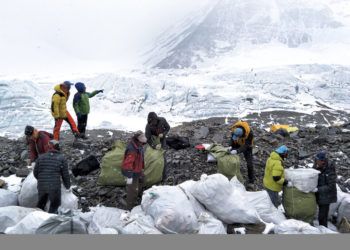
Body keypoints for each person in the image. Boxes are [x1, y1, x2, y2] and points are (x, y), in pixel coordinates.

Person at [33, 140, 71, 214]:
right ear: (58, 148)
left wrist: (42, 180)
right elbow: (65, 175)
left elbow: (35, 173)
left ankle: (38, 221)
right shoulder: (62, 158)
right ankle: (51, 223)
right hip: (54, 187)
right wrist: (68, 186)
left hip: (42, 186)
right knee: (54, 207)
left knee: (41, 205)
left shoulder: (40, 157)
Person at [121, 132, 147, 210]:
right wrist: (129, 176)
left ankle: (138, 196)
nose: (143, 143)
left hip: (138, 170)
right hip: (131, 172)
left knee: (142, 180)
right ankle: (129, 207)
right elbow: (127, 164)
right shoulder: (132, 149)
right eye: (142, 142)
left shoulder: (140, 146)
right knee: (132, 190)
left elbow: (141, 159)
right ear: (137, 140)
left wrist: (142, 168)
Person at [313, 151, 337, 228]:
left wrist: (318, 189)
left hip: (326, 197)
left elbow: (331, 186)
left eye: (317, 160)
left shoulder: (330, 170)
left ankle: (323, 230)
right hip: (319, 195)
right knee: (319, 215)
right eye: (315, 160)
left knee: (322, 217)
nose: (316, 161)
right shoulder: (316, 165)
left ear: (322, 161)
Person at [228, 120, 255, 186]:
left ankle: (251, 180)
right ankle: (231, 174)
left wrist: (237, 151)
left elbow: (246, 146)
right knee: (230, 154)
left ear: (242, 135)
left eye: (237, 137)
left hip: (247, 146)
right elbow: (232, 139)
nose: (236, 138)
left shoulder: (250, 134)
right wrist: (230, 146)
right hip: (237, 143)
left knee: (249, 164)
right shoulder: (235, 130)